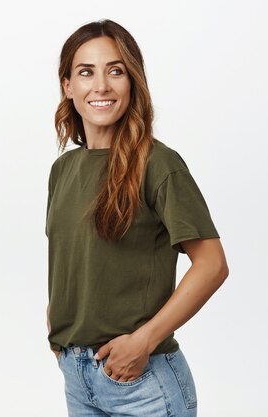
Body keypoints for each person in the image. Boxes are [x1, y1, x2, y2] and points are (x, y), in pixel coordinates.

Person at [45, 19, 229, 417]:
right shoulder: (63, 170)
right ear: (67, 86)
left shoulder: (158, 164)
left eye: (116, 71)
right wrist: (57, 326)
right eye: (85, 72)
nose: (101, 86)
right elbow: (72, 260)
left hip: (142, 382)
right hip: (77, 378)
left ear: (133, 81)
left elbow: (212, 264)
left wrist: (144, 341)